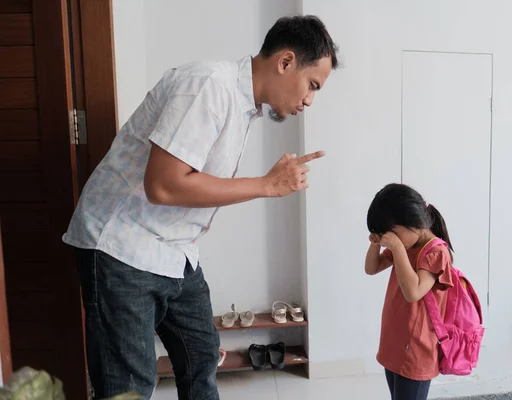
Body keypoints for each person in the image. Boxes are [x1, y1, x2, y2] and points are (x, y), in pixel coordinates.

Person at [62, 15, 338, 400]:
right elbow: (163, 185)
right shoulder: (210, 85)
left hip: (175, 252)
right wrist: (266, 186)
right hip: (122, 245)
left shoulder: (242, 106)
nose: (309, 100)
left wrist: (267, 186)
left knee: (202, 357)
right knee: (129, 387)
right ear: (286, 61)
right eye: (312, 86)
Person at [364, 184, 454, 400]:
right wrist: (375, 245)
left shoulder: (436, 253)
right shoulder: (406, 246)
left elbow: (414, 291)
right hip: (395, 341)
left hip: (416, 349)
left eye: (390, 232)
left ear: (413, 222)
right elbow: (371, 268)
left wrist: (395, 248)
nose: (389, 238)